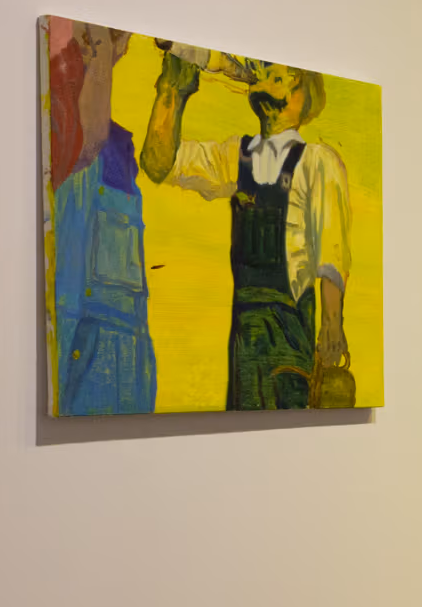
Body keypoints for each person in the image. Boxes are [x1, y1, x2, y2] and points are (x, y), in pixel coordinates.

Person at [141, 44, 352, 410]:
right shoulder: (234, 157)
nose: (261, 71)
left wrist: (332, 325)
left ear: (299, 90)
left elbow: (331, 250)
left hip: (292, 334)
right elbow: (159, 163)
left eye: (275, 71)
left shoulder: (319, 160)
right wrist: (171, 89)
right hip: (245, 336)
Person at [45, 20, 158, 415]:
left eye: (102, 39)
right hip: (75, 335)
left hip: (121, 350)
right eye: (85, 38)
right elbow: (85, 142)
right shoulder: (57, 132)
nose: (92, 49)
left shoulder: (121, 149)